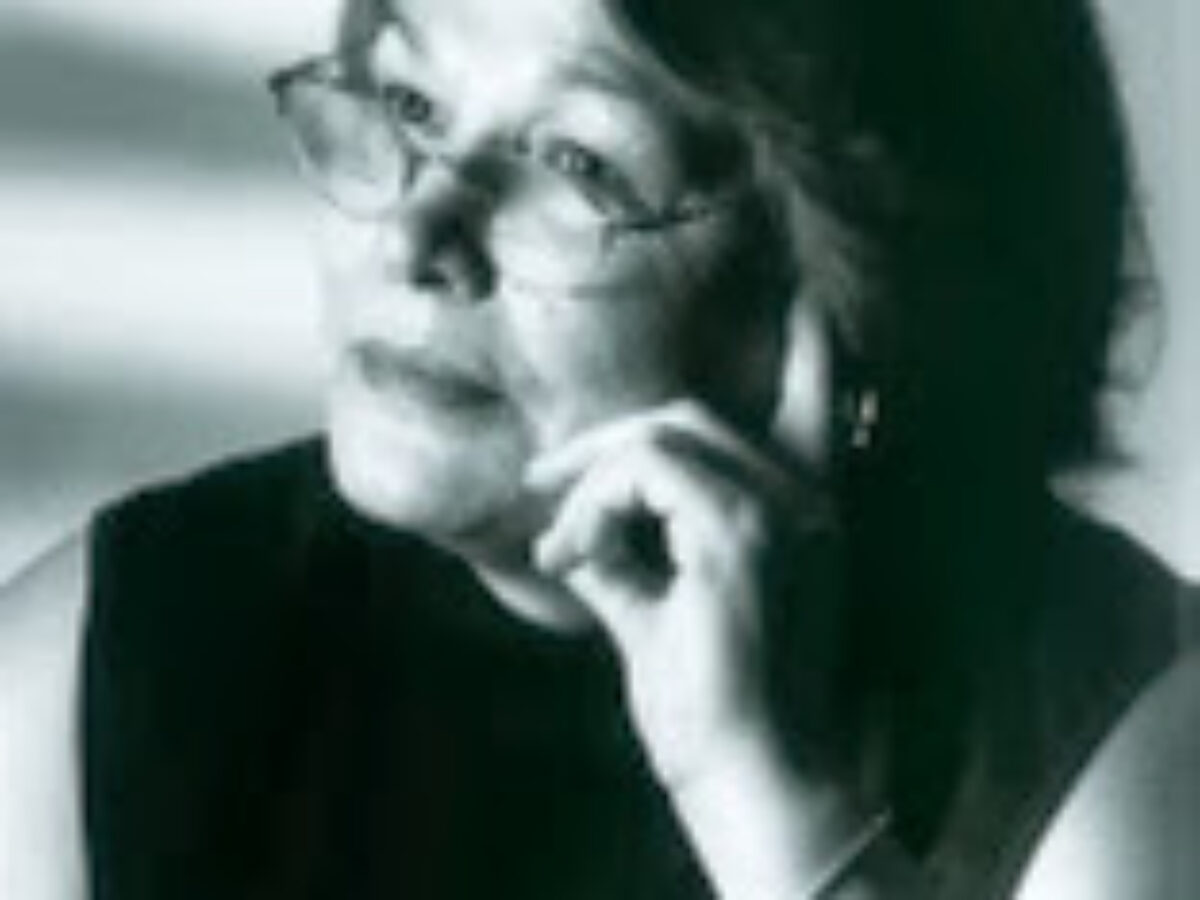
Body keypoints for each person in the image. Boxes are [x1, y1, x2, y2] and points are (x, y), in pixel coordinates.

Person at [1, 0, 1197, 896]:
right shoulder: (111, 648)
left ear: (851, 275)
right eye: (410, 104)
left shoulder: (1130, 741)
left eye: (576, 163)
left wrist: (768, 807)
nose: (415, 235)